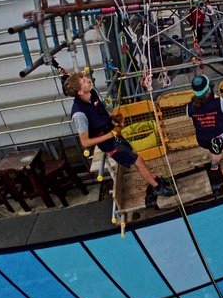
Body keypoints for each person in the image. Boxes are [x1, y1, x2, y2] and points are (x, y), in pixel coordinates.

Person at [64, 71, 172, 210]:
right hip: (108, 142)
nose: (88, 80)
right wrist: (111, 135)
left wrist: (113, 117)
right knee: (137, 160)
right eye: (84, 81)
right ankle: (156, 186)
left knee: (136, 155)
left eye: (86, 78)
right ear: (79, 92)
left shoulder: (92, 94)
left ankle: (154, 178)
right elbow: (85, 142)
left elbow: (101, 110)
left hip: (113, 132)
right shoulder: (79, 114)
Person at [187, 74, 223, 174]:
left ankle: (221, 146)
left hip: (202, 138)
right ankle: (214, 164)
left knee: (212, 145)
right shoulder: (219, 101)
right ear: (208, 89)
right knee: (217, 153)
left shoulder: (189, 106)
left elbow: (190, 115)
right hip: (218, 138)